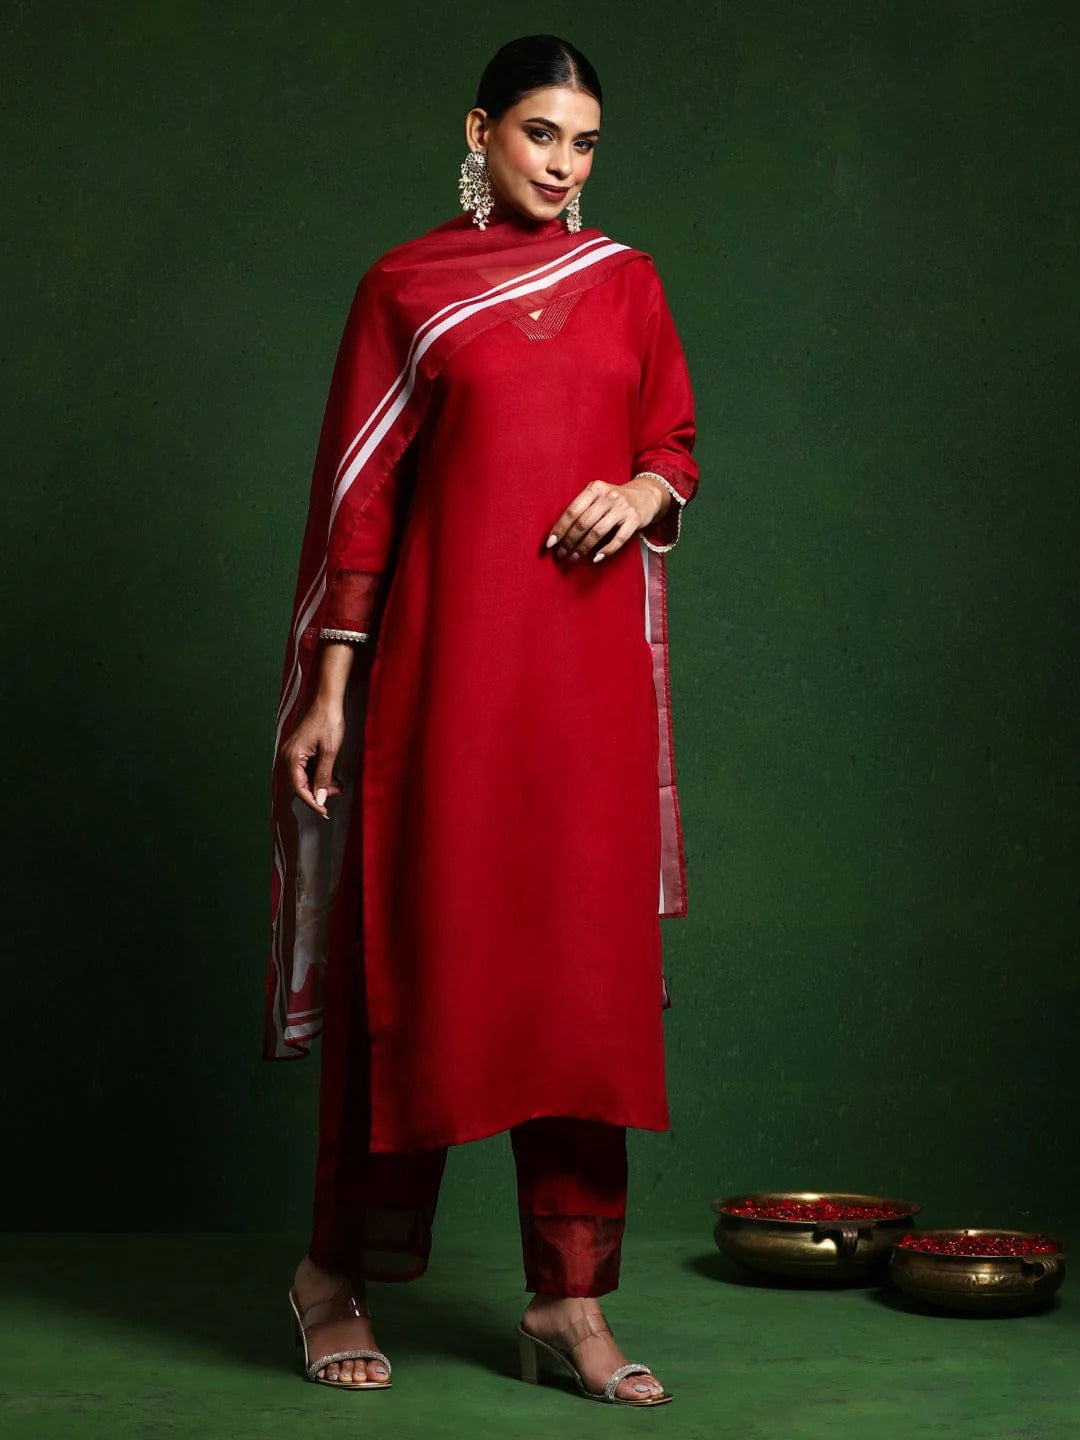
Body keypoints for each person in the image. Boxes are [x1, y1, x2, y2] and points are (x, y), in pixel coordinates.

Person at [265, 34, 699, 1407]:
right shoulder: (406, 288)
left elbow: (672, 443)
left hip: (584, 689)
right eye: (539, 135)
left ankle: (568, 1299)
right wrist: (331, 689)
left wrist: (640, 493)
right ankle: (331, 1273)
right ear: (480, 131)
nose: (564, 167)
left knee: (579, 982)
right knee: (412, 962)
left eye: (584, 143)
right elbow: (362, 501)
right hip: (445, 674)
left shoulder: (626, 282)